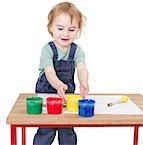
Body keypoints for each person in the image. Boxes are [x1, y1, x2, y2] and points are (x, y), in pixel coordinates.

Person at [33, 2, 89, 145]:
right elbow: (49, 72)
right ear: (51, 28)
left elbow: (82, 68)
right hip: (47, 94)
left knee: (67, 128)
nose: (65, 34)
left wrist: (83, 82)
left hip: (66, 95)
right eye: (60, 28)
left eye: (71, 29)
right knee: (47, 129)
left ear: (77, 30)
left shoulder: (77, 51)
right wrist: (58, 85)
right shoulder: (48, 49)